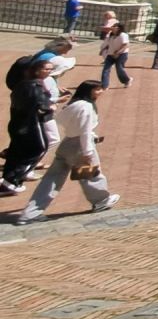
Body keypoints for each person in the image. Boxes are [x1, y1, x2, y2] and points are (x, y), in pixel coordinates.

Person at [14, 81, 119, 223]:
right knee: (91, 175)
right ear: (89, 91)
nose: (101, 92)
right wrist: (87, 152)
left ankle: (30, 213)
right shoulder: (86, 107)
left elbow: (59, 119)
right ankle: (101, 201)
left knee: (51, 179)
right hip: (80, 146)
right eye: (98, 89)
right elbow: (85, 132)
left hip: (67, 144)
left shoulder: (73, 104)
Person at [2, 59, 55, 194]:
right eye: (46, 69)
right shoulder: (33, 87)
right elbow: (40, 107)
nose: (49, 72)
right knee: (38, 149)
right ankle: (12, 180)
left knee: (16, 152)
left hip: (18, 124)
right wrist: (50, 107)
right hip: (30, 124)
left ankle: (8, 181)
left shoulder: (20, 85)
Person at [98, 22, 131, 88]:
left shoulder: (123, 35)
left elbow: (126, 45)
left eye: (114, 26)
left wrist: (118, 53)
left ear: (119, 28)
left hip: (122, 54)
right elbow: (107, 43)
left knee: (119, 68)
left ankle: (127, 80)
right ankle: (104, 85)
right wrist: (102, 50)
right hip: (111, 54)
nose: (112, 27)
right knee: (106, 69)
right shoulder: (111, 35)